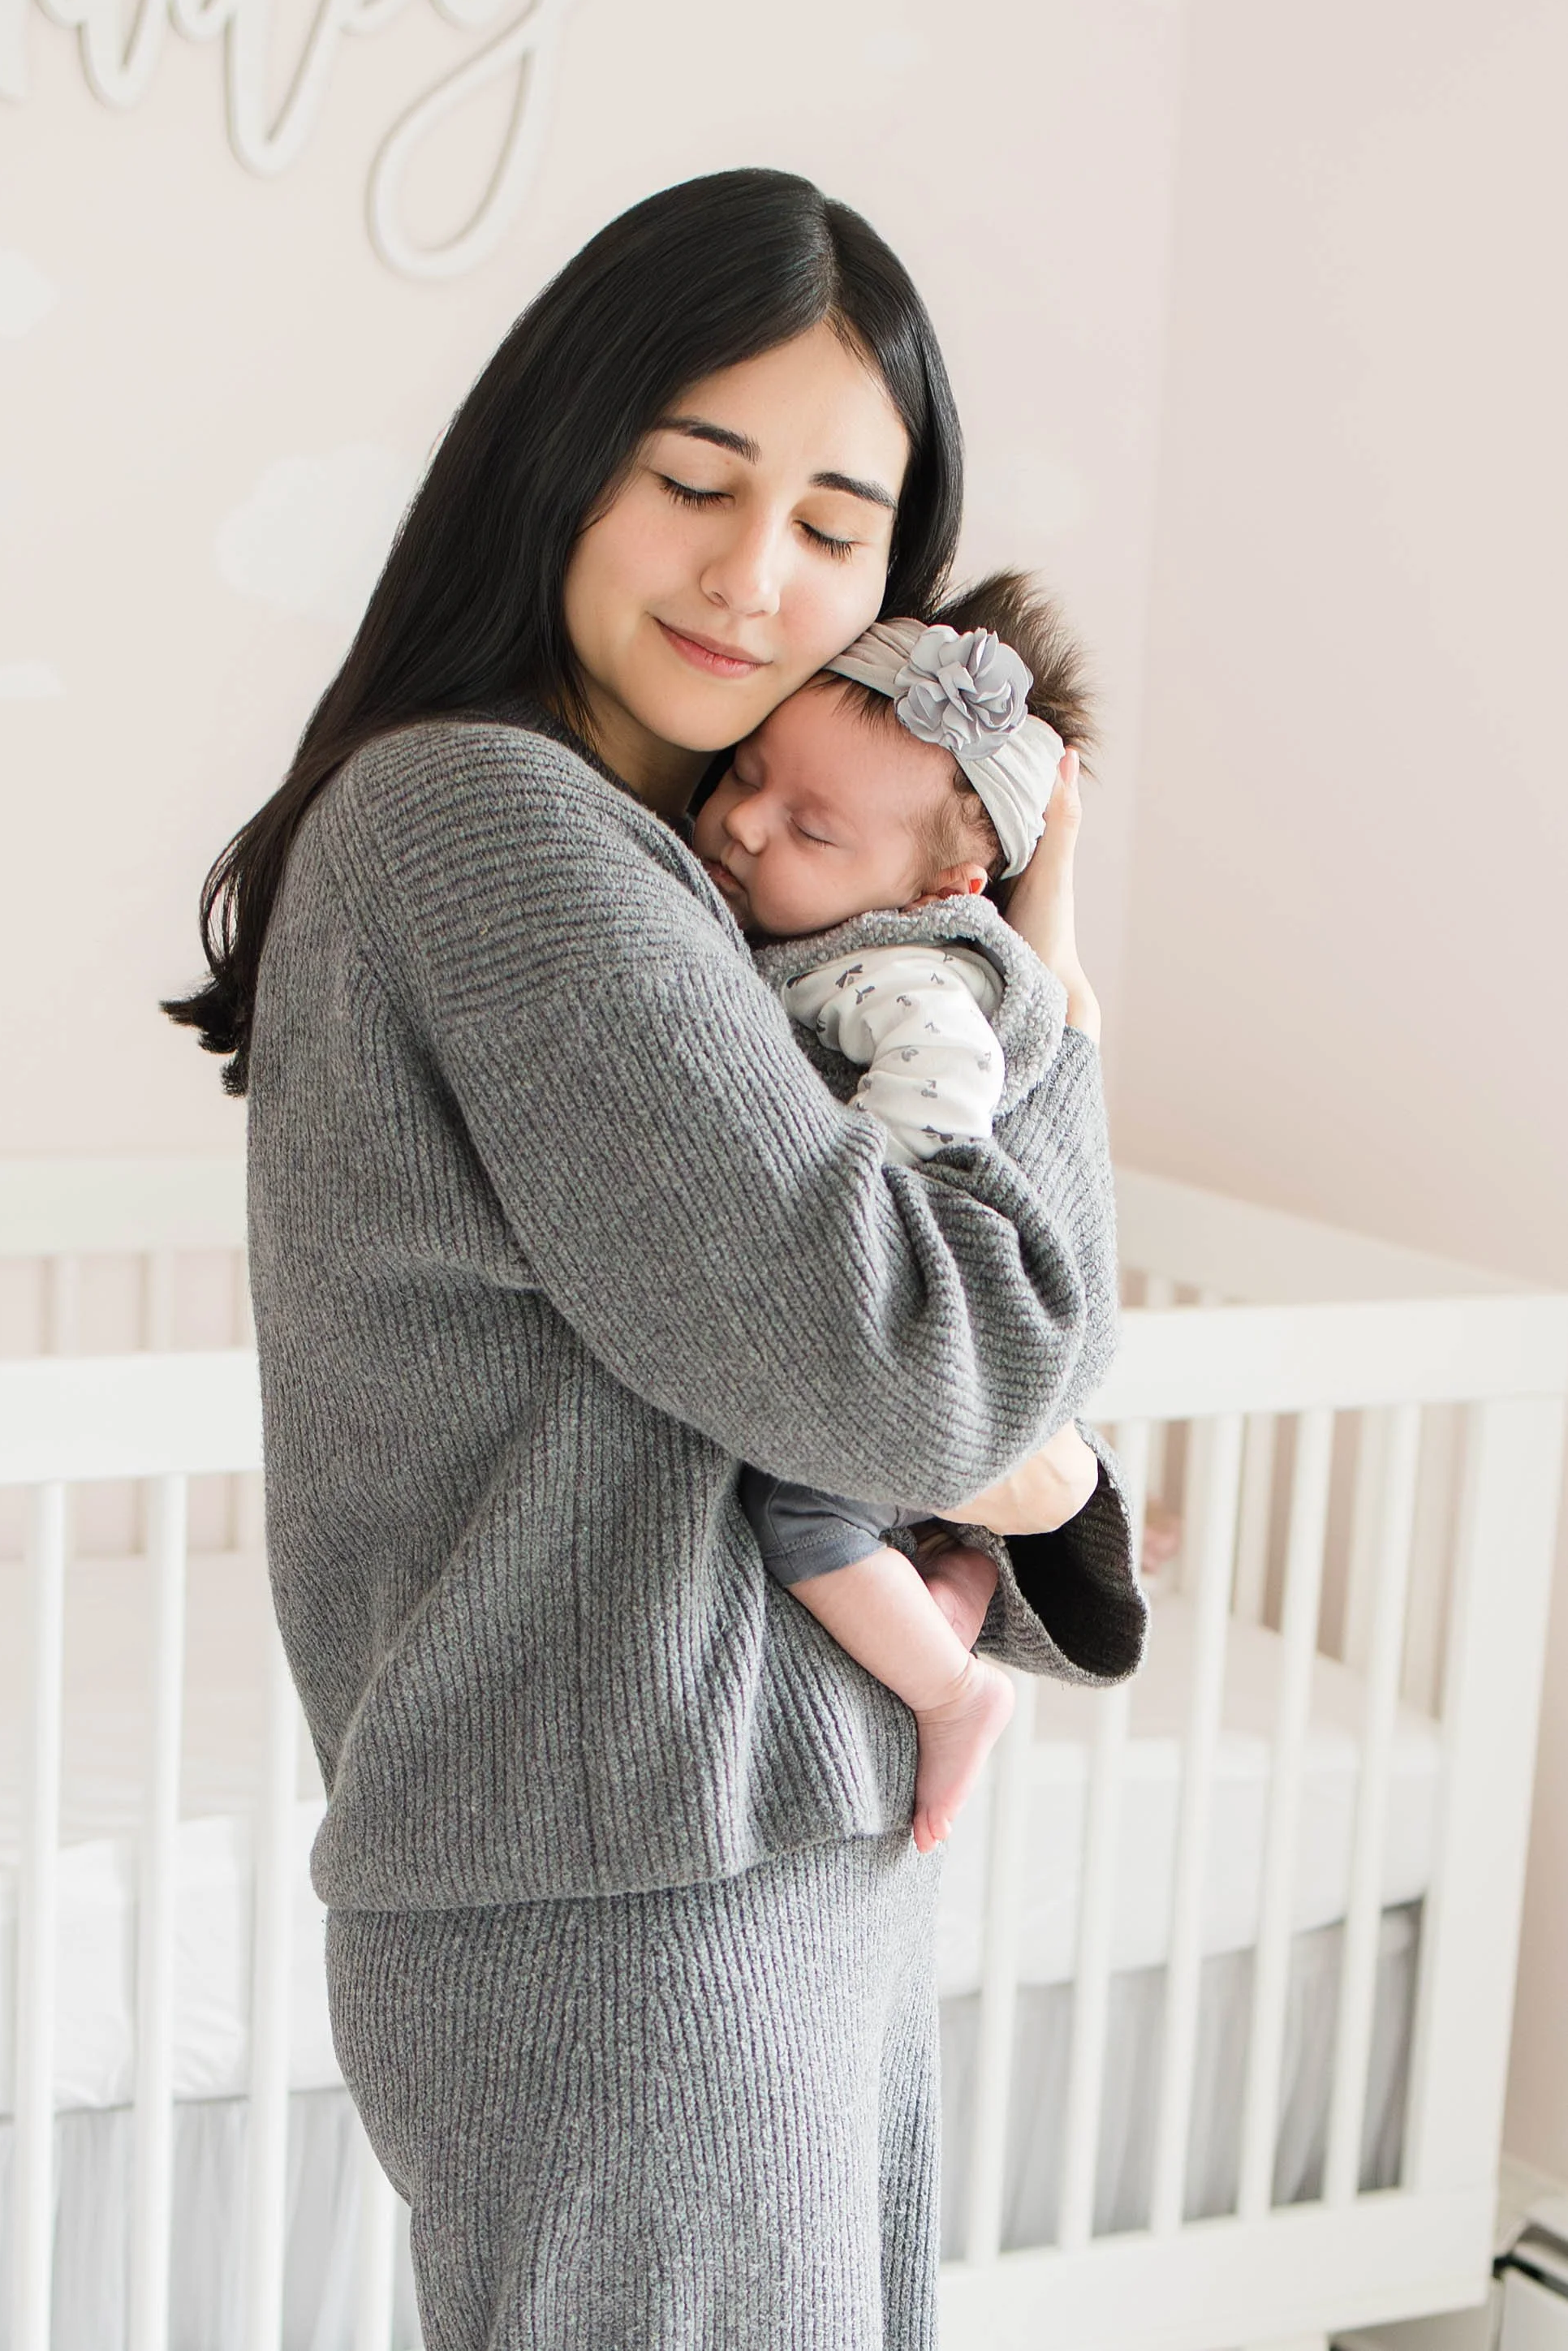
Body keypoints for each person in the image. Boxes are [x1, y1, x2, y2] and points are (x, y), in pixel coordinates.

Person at [166, 170, 1146, 2350]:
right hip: (631, 1887)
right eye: (694, 478)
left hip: (725, 1848)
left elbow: (939, 1347)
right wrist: (1044, 980)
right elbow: (948, 1377)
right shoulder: (497, 832)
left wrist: (1028, 1441)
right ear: (559, 457)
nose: (754, 572)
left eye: (834, 521)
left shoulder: (721, 903)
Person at [691, 573, 1107, 1852]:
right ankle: (958, 1576)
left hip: (894, 1320)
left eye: (813, 830)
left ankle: (952, 1687)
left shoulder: (900, 971)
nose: (748, 822)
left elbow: (947, 1088)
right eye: (748, 770)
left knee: (797, 1509)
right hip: (927, 1388)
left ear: (937, 887)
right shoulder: (813, 933)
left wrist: (837, 1207)